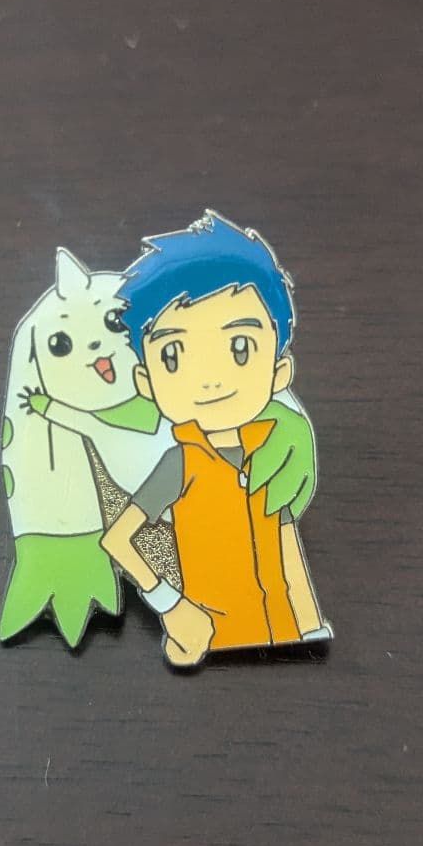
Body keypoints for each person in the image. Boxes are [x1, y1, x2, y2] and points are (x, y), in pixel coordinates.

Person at [101, 210, 333, 667]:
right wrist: (171, 606)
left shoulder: (271, 451)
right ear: (146, 382)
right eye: (173, 354)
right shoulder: (182, 463)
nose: (209, 380)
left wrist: (310, 629)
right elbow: (118, 540)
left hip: (282, 634)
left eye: (239, 348)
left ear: (280, 371)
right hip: (216, 639)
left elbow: (288, 547)